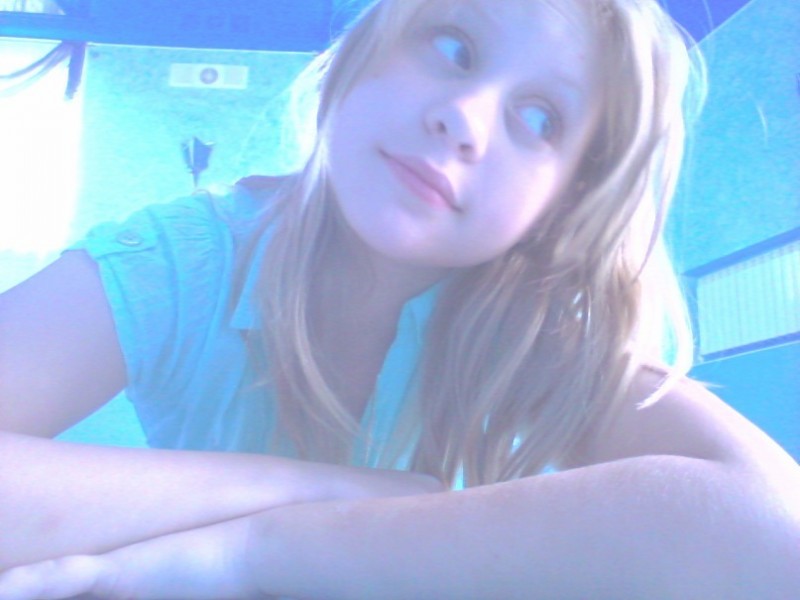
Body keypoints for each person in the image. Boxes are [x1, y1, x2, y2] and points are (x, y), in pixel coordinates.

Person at [0, 0, 798, 597]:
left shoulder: (538, 334)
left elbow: (774, 531)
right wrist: (317, 488)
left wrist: (258, 548)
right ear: (361, 54)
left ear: (565, 201)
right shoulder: (185, 259)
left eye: (539, 117)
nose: (464, 119)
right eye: (454, 47)